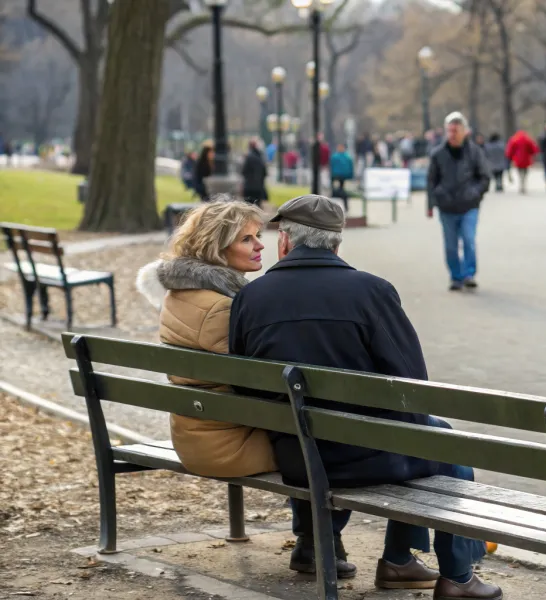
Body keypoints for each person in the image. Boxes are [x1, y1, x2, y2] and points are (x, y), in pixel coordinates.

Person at [229, 195, 500, 600]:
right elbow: (413, 388)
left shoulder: (251, 298)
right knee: (446, 442)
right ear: (337, 245)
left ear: (285, 243)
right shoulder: (372, 291)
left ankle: (314, 545)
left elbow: (244, 386)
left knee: (315, 426)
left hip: (293, 457)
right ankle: (454, 576)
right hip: (363, 457)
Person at [135, 200, 276, 479]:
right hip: (228, 446)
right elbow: (261, 383)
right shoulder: (221, 307)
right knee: (330, 444)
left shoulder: (178, 292)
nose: (260, 246)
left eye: (258, 237)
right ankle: (312, 524)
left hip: (197, 437)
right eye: (247, 239)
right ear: (216, 247)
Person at [427, 112, 492, 291]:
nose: (452, 134)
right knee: (450, 245)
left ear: (465, 132)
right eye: (449, 131)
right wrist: (432, 203)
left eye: (456, 130)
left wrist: (476, 192)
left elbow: (485, 177)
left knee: (469, 240)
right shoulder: (438, 154)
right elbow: (432, 180)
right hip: (446, 206)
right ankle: (456, 277)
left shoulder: (475, 152)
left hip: (469, 205)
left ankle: (469, 274)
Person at [505, 129, 539, 194]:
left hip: (518, 159)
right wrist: (533, 154)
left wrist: (509, 156)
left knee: (520, 172)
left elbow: (510, 149)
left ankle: (521, 183)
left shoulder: (514, 139)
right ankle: (523, 184)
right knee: (525, 172)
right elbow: (533, 148)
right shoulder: (527, 139)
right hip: (526, 159)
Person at [241, 138, 268, 206]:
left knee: (248, 208)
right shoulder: (260, 157)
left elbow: (244, 171)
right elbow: (264, 173)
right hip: (258, 187)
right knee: (257, 208)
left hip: (249, 187)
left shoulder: (248, 157)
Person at [329, 143, 354, 212]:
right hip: (338, 177)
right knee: (339, 193)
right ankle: (338, 208)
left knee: (339, 193)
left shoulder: (337, 157)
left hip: (341, 177)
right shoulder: (346, 157)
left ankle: (336, 208)